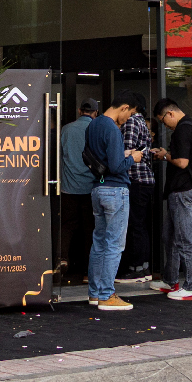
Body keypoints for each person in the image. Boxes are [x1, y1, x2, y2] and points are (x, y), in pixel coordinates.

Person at [84, 95, 145, 310]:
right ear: (124, 107)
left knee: (99, 242)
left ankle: (95, 293)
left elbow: (103, 157)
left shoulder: (93, 125)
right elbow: (117, 166)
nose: (128, 119)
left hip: (98, 188)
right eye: (130, 114)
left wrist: (123, 154)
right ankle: (107, 295)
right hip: (115, 189)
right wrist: (133, 158)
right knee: (114, 244)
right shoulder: (112, 128)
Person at [153, 98, 192, 300]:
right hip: (181, 190)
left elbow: (182, 162)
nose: (164, 125)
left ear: (170, 114)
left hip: (182, 190)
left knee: (185, 239)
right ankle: (170, 280)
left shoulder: (183, 129)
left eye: (163, 120)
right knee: (170, 237)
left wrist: (165, 155)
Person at [60, 99, 100, 284]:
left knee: (67, 227)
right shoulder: (96, 129)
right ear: (96, 112)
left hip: (68, 188)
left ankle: (62, 260)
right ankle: (87, 271)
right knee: (89, 230)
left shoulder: (66, 129)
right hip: (90, 187)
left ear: (79, 111)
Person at [121, 92, 155, 280]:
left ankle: (136, 268)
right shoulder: (142, 122)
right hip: (144, 180)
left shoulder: (132, 122)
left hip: (136, 179)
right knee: (139, 225)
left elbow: (127, 151)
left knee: (135, 225)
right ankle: (142, 266)